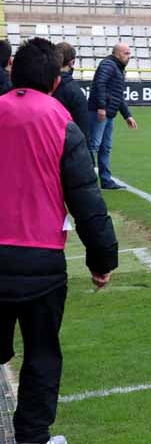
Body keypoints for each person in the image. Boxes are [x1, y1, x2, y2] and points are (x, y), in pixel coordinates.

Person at [0, 38, 118, 444]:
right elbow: (86, 199)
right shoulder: (60, 121)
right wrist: (102, 260)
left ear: (13, 70)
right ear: (55, 81)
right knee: (42, 354)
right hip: (42, 262)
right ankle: (33, 437)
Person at [87, 43, 137, 190]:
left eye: (129, 54)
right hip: (99, 112)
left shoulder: (117, 68)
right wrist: (101, 107)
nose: (129, 57)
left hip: (109, 113)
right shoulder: (108, 65)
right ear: (117, 54)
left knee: (105, 147)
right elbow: (99, 84)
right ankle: (87, 180)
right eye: (126, 53)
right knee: (93, 145)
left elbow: (117, 96)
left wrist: (127, 115)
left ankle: (106, 180)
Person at [53, 42, 91, 149]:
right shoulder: (74, 90)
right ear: (72, 62)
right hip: (66, 148)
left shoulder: (40, 85)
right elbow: (82, 129)